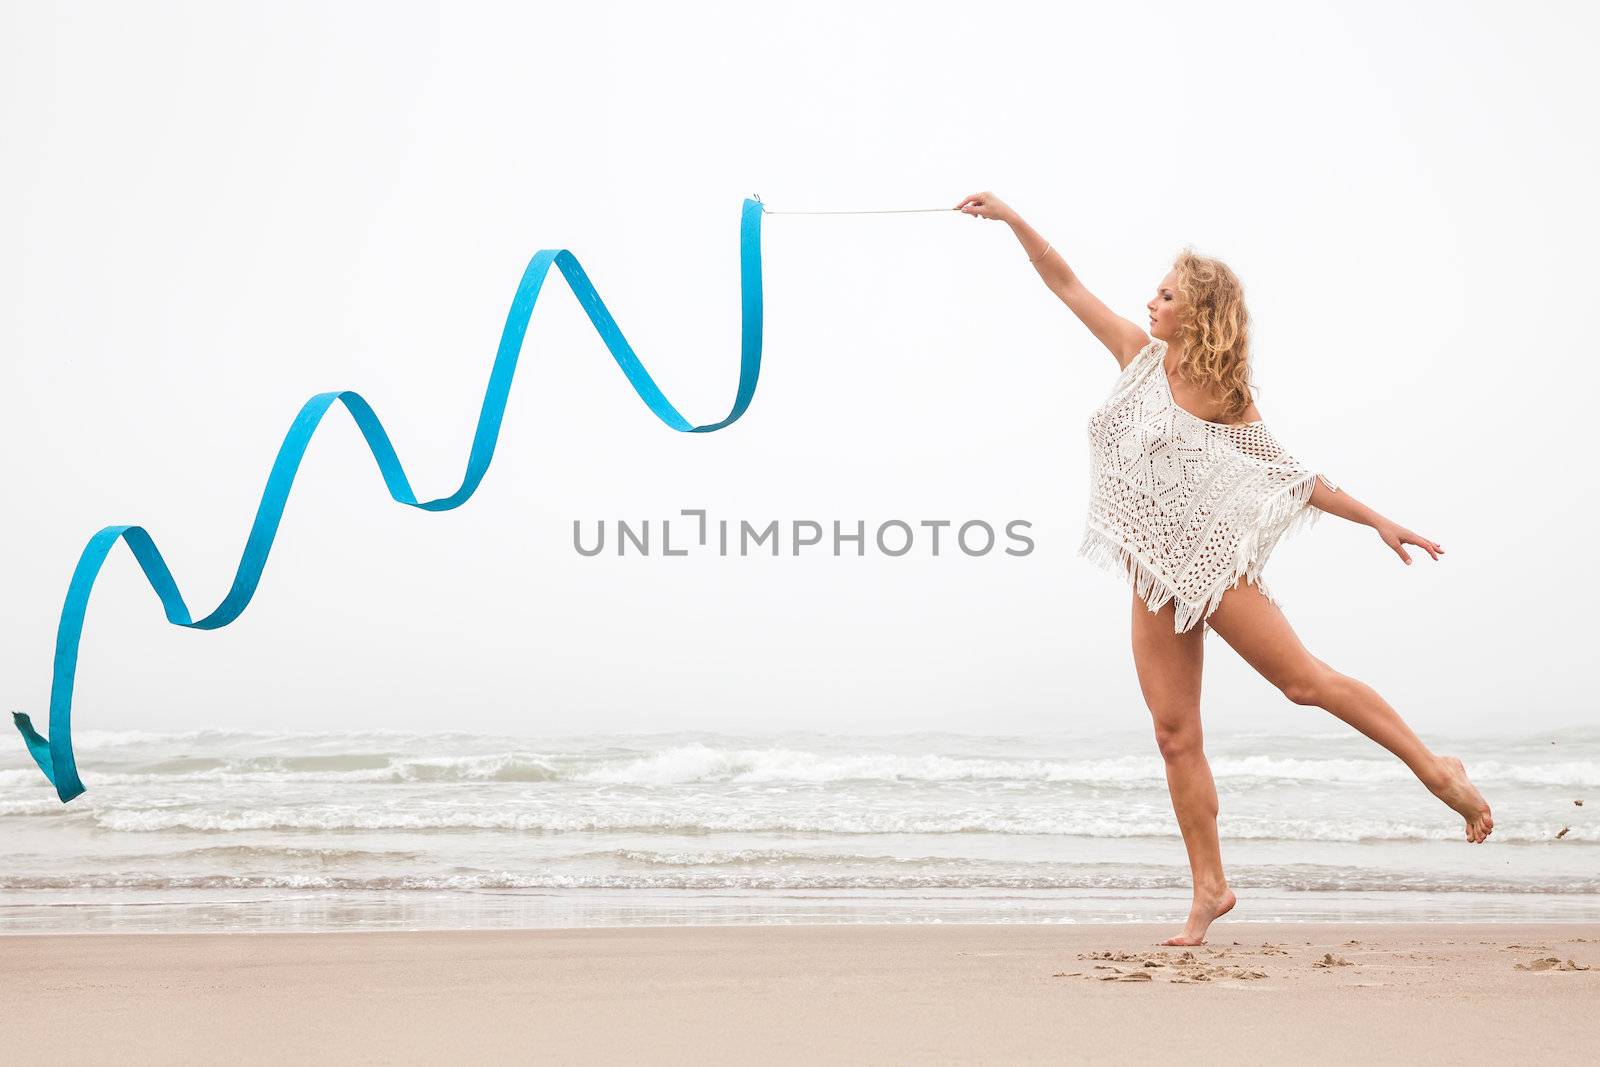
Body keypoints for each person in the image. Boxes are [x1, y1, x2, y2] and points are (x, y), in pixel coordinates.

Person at [953, 191, 1494, 947]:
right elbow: (1064, 281)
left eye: (1166, 294)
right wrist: (1012, 219)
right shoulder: (1136, 360)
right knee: (1175, 733)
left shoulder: (1224, 396)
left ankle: (1436, 768)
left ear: (1198, 312)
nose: (1150, 300)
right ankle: (1210, 885)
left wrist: (1376, 519)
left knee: (1303, 681)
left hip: (1212, 568)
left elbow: (1294, 477)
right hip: (1152, 572)